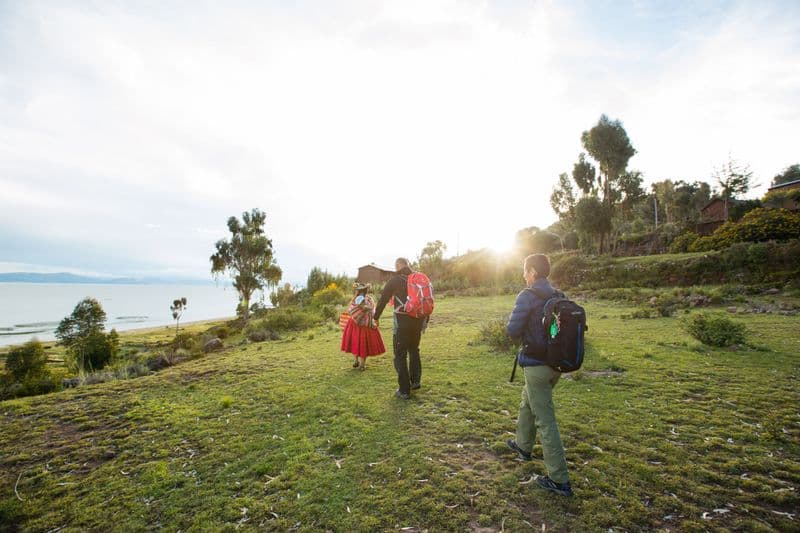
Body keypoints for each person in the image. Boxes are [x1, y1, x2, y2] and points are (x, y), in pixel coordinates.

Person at [505, 253, 573, 497]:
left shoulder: (528, 295)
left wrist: (512, 322)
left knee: (545, 419)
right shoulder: (559, 296)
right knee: (528, 401)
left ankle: (560, 479)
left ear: (533, 271)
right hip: (556, 366)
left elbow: (513, 331)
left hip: (536, 366)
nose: (524, 275)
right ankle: (523, 446)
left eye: (525, 271)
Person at [374, 257, 426, 400]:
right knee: (414, 349)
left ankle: (404, 390)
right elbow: (425, 300)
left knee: (400, 354)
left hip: (402, 322)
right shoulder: (418, 279)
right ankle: (415, 381)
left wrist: (375, 317)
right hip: (417, 320)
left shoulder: (394, 280)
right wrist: (424, 321)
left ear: (398, 265)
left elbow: (383, 299)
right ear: (408, 265)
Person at [340, 283, 385, 370]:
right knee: (363, 343)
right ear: (366, 290)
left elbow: (352, 309)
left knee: (355, 342)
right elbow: (371, 310)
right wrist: (366, 310)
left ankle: (356, 360)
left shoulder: (355, 299)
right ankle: (362, 364)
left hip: (354, 323)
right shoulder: (369, 299)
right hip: (366, 324)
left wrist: (363, 309)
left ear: (358, 290)